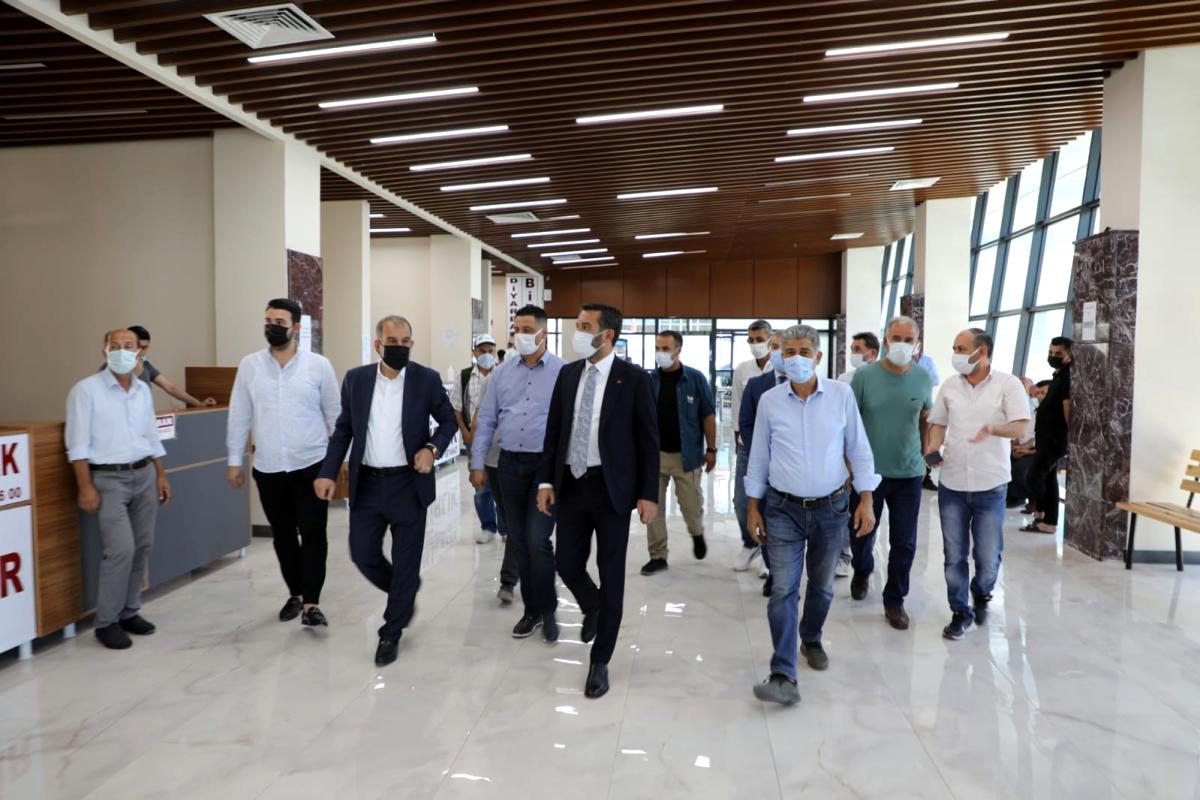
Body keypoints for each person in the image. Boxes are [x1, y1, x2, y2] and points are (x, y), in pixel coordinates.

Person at [745, 324, 878, 706]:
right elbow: (759, 456)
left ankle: (812, 637)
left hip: (831, 508)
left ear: (818, 357)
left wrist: (866, 498)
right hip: (781, 509)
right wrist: (753, 506)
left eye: (805, 352)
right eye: (789, 352)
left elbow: (858, 448)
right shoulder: (770, 401)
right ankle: (783, 673)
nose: (797, 359)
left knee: (821, 586)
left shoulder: (841, 395)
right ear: (780, 357)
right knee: (783, 589)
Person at [314, 316, 457, 666]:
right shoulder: (357, 380)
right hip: (368, 484)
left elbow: (449, 421)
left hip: (408, 484)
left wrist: (432, 449)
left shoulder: (426, 379)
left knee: (407, 560)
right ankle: (404, 592)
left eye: (406, 342)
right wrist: (328, 472)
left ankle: (391, 632)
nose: (400, 347)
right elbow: (344, 429)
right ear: (378, 344)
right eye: (393, 342)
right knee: (362, 554)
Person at [537, 303, 658, 699]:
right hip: (571, 485)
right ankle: (593, 606)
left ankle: (600, 660)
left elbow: (648, 441)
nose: (578, 332)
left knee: (612, 575)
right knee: (566, 563)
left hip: (612, 490)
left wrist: (648, 494)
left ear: (607, 335)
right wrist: (545, 481)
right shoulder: (569, 374)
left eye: (585, 326)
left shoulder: (633, 379)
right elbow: (554, 430)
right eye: (577, 324)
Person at [227, 299, 339, 628]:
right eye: (268, 321)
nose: (272, 327)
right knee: (283, 536)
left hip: (312, 465)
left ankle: (312, 604)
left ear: (296, 328)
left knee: (314, 533)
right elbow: (239, 414)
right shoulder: (250, 365)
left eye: (279, 322)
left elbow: (336, 416)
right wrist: (234, 460)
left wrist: (338, 464)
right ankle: (296, 593)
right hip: (269, 467)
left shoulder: (319, 366)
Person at [67, 329, 173, 650]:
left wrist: (161, 475)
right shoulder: (86, 391)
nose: (122, 351)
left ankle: (129, 611)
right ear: (104, 350)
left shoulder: (142, 390)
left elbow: (151, 437)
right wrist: (85, 487)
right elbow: (77, 444)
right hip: (108, 480)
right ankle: (106, 622)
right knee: (120, 549)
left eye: (128, 346)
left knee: (142, 546)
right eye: (115, 346)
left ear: (139, 353)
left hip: (144, 474)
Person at [926, 328, 1030, 640]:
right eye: (955, 348)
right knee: (954, 554)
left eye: (961, 348)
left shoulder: (1008, 385)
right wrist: (932, 447)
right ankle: (960, 611)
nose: (955, 354)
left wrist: (993, 429)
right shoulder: (950, 386)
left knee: (987, 554)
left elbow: (1021, 427)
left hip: (991, 484)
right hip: (952, 482)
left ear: (981, 352)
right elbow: (938, 423)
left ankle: (982, 591)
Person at [470, 305, 565, 633]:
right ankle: (532, 610)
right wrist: (477, 462)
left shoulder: (562, 372)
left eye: (526, 330)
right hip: (509, 465)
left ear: (543, 333)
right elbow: (486, 420)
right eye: (516, 330)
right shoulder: (502, 373)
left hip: (544, 469)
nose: (520, 336)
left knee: (538, 539)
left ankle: (549, 610)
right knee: (520, 541)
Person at [847, 316, 933, 630]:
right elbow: (850, 423)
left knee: (904, 541)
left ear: (917, 343)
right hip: (867, 474)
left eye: (908, 340)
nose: (901, 344)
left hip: (908, 473)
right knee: (860, 534)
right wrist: (848, 466)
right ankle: (862, 569)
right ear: (885, 340)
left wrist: (925, 455)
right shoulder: (864, 377)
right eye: (896, 338)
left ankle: (895, 600)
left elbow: (925, 418)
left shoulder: (923, 377)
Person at [641, 330, 717, 575]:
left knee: (691, 507)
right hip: (655, 457)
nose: (660, 353)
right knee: (653, 509)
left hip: (687, 457)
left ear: (678, 350)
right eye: (658, 348)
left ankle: (696, 533)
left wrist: (711, 449)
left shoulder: (695, 379)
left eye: (665, 348)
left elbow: (708, 415)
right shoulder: (649, 380)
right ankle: (658, 556)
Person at [738, 332, 787, 596]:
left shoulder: (809, 386)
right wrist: (760, 451)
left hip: (794, 466)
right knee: (765, 515)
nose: (779, 352)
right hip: (763, 461)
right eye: (775, 347)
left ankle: (783, 572)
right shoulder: (758, 385)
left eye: (784, 348)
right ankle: (770, 566)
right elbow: (746, 422)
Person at [731, 320, 775, 572]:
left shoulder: (779, 367)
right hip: (747, 445)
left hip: (775, 445)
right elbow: (737, 408)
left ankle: (769, 553)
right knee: (741, 500)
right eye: (751, 340)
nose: (755, 344)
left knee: (770, 501)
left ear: (770, 340)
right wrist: (738, 442)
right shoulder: (743, 369)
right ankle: (750, 543)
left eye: (760, 339)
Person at [452, 335, 504, 544]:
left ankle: (505, 529)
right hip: (473, 439)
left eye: (491, 351)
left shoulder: (503, 374)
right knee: (481, 486)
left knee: (501, 486)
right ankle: (488, 527)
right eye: (482, 351)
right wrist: (465, 432)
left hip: (499, 440)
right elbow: (457, 407)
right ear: (474, 352)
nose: (487, 355)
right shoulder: (464, 376)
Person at [1022, 337, 1073, 534]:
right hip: (1045, 437)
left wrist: (1069, 434)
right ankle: (1046, 521)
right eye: (1051, 352)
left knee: (1034, 477)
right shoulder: (1058, 376)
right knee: (1048, 479)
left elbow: (1067, 408)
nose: (1053, 356)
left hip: (1054, 438)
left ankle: (1042, 514)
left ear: (1069, 354)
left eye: (1058, 353)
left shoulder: (1067, 377)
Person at [103, 325, 216, 408]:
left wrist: (198, 403)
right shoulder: (110, 368)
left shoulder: (146, 365)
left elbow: (170, 387)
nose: (142, 351)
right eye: (139, 346)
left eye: (145, 347)